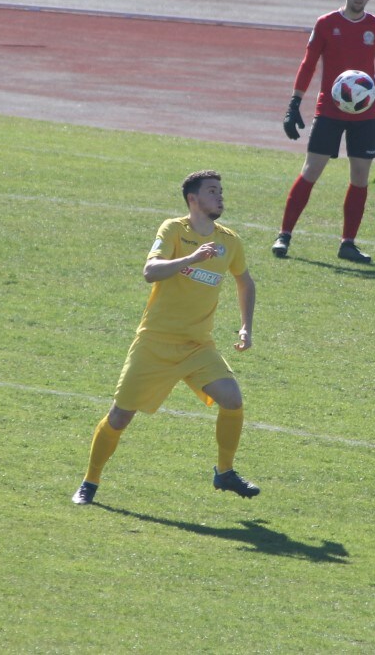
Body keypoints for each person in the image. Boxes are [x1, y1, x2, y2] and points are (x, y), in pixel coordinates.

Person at [73, 170, 258, 505]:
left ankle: (224, 472)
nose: (220, 197)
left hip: (198, 346)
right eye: (212, 191)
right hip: (155, 343)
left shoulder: (229, 241)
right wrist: (191, 258)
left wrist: (246, 326)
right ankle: (90, 482)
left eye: (221, 191)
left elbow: (245, 281)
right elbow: (150, 272)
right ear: (193, 199)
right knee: (120, 416)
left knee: (232, 398)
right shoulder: (173, 230)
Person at [273, 0, 375, 264]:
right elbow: (308, 64)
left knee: (360, 177)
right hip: (329, 111)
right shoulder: (326, 23)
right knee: (311, 171)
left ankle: (348, 244)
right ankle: (284, 235)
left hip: (365, 115)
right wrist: (294, 104)